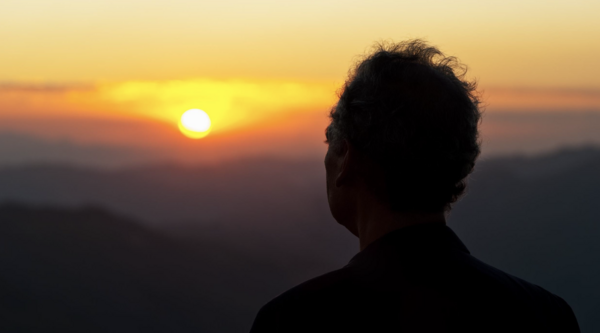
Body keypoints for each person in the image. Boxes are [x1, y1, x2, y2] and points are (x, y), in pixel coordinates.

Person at [249, 40, 580, 332]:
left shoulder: (296, 319)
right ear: (461, 165)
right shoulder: (547, 314)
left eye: (329, 142)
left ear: (346, 158)